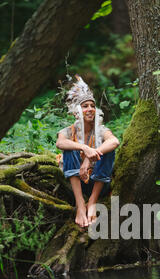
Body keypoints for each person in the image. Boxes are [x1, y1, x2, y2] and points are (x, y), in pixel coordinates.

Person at [56, 75, 120, 228]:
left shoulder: (101, 130)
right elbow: (60, 143)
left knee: (107, 150)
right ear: (77, 111)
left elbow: (114, 141)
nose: (90, 109)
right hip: (76, 183)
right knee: (69, 148)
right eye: (85, 106)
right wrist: (84, 148)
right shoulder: (68, 132)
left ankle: (92, 202)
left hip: (99, 182)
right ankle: (80, 205)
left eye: (92, 106)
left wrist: (89, 158)